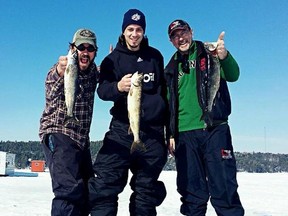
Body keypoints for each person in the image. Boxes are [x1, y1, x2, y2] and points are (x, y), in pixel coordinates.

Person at [88, 9, 168, 216]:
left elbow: (165, 93)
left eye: (139, 29)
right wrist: (117, 87)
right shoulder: (111, 60)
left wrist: (169, 132)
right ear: (123, 31)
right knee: (104, 184)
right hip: (122, 129)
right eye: (130, 29)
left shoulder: (155, 57)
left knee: (146, 190)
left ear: (144, 31)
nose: (134, 34)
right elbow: (102, 91)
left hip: (152, 133)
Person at [164, 19, 245, 216]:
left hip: (215, 129)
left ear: (191, 32)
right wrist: (170, 134)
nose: (180, 38)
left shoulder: (209, 53)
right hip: (184, 135)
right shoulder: (171, 67)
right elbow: (168, 105)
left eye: (183, 32)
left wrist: (224, 56)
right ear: (171, 41)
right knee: (192, 192)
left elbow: (233, 75)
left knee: (224, 187)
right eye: (175, 36)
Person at [39, 28, 98, 216]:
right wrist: (59, 70)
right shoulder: (63, 69)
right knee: (68, 192)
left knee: (88, 194)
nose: (85, 53)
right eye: (81, 48)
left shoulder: (93, 73)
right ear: (73, 49)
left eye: (90, 49)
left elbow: (106, 73)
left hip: (81, 141)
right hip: (59, 133)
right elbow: (51, 84)